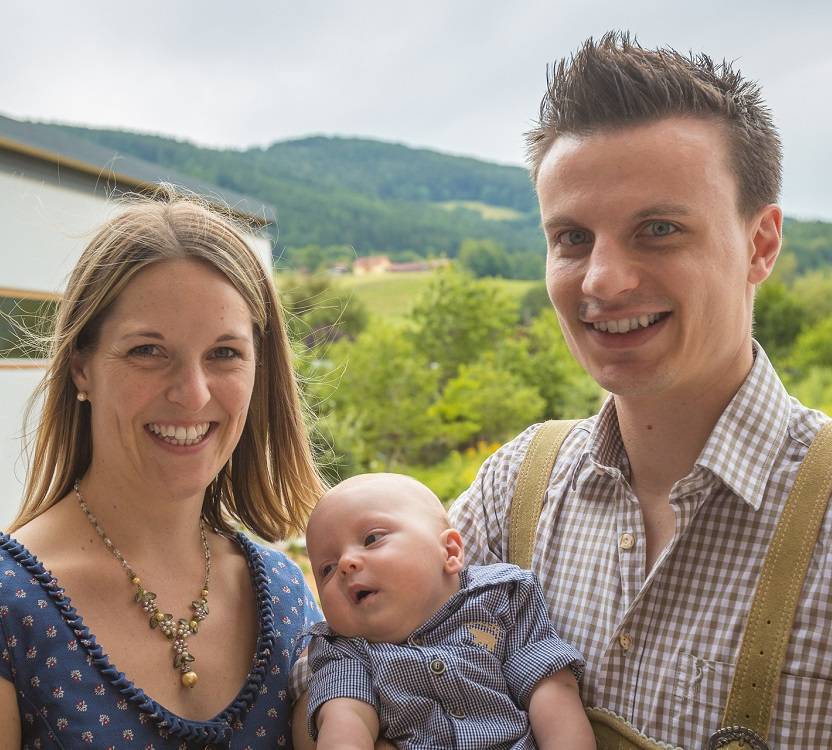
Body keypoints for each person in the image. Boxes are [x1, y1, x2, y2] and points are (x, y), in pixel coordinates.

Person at [448, 32, 832, 748]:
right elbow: (364, 668)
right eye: (571, 238)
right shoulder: (512, 493)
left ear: (762, 243)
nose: (602, 281)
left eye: (658, 229)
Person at [0, 192, 324, 748]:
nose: (192, 394)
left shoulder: (288, 596)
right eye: (149, 350)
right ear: (81, 368)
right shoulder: (10, 604)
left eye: (224, 353)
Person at [303, 472, 593, 750]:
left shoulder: (500, 598)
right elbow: (346, 722)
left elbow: (551, 691)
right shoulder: (343, 651)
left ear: (450, 551)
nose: (346, 563)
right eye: (327, 568)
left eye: (371, 539)